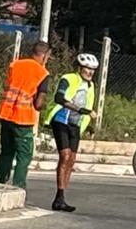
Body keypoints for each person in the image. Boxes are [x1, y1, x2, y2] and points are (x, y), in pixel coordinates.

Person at [42, 52, 99, 213]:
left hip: (76, 124)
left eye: (93, 69)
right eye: (87, 68)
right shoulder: (69, 78)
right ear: (80, 68)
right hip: (61, 119)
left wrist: (88, 125)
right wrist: (81, 110)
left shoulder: (90, 85)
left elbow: (87, 106)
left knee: (72, 159)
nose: (90, 72)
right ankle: (59, 197)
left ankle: (62, 197)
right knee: (65, 156)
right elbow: (59, 98)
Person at [0, 39, 51, 190]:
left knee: (6, 151)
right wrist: (44, 106)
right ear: (45, 56)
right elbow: (38, 104)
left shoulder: (15, 64)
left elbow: (8, 85)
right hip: (23, 118)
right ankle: (18, 186)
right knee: (24, 155)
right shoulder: (42, 73)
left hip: (5, 113)